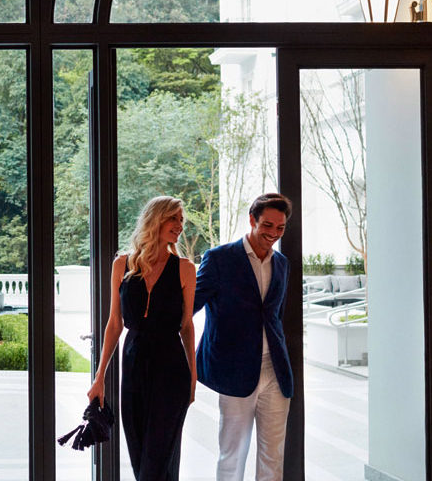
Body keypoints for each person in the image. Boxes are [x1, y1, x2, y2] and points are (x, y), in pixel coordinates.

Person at [87, 196, 197, 481]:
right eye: (173, 218)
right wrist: (99, 378)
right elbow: (114, 324)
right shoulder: (121, 265)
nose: (179, 225)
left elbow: (186, 327)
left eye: (181, 220)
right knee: (138, 451)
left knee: (157, 459)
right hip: (133, 365)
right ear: (156, 219)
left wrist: (193, 378)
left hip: (172, 370)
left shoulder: (185, 268)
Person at [194, 193, 294, 481]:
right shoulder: (219, 258)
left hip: (274, 370)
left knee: (273, 455)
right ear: (252, 220)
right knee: (232, 453)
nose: (273, 233)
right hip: (234, 371)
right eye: (268, 225)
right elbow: (191, 306)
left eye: (280, 228)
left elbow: (275, 316)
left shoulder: (282, 264)